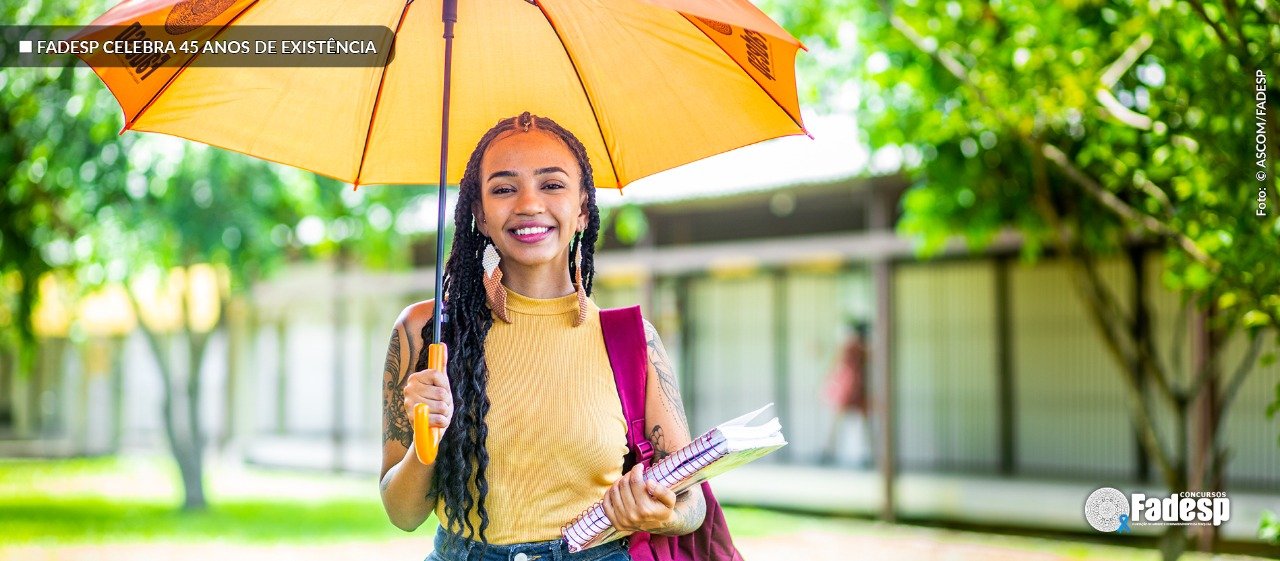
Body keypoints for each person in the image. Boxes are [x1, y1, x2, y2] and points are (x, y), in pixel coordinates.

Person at [378, 112, 706, 561]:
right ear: (479, 212)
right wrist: (425, 440)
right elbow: (403, 514)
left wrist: (658, 513)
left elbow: (694, 504)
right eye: (503, 188)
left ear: (583, 209)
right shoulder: (426, 332)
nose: (529, 204)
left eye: (551, 185)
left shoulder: (632, 341)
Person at [820, 320, 871, 467]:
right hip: (852, 387)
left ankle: (828, 451)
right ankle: (828, 452)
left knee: (841, 421)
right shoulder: (856, 347)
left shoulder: (856, 347)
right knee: (846, 421)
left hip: (853, 388)